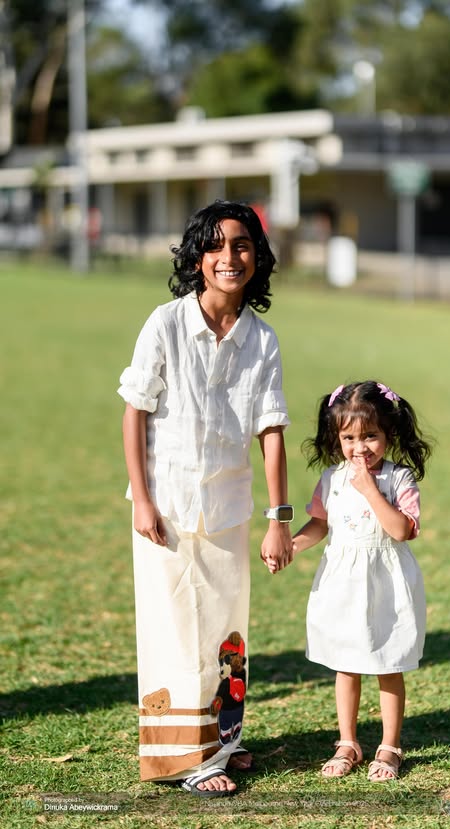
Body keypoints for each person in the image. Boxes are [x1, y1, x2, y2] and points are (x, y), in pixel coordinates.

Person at [118, 200, 293, 797]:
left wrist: (279, 519)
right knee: (173, 629)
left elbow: (271, 431)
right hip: (164, 507)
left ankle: (224, 742)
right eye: (215, 246)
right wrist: (141, 500)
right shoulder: (164, 323)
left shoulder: (262, 340)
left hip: (227, 510)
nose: (229, 257)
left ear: (257, 258)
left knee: (226, 633)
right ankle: (191, 761)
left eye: (241, 245)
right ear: (196, 257)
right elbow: (134, 413)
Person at [285, 380, 432, 781]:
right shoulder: (331, 478)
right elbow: (320, 523)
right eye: (349, 438)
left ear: (388, 435)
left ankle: (390, 746)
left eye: (370, 437)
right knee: (346, 664)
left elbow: (400, 530)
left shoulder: (399, 480)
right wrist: (292, 545)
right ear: (336, 438)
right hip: (343, 582)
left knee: (389, 662)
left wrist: (370, 490)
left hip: (387, 582)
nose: (359, 447)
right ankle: (347, 742)